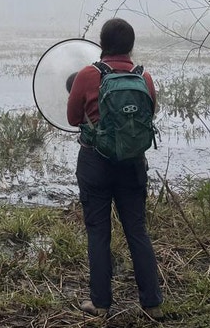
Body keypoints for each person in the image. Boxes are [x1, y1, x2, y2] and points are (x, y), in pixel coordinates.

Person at [66, 18, 163, 320]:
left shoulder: (87, 75)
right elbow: (150, 114)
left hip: (95, 162)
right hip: (133, 163)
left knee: (98, 231)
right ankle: (152, 303)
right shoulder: (144, 77)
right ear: (131, 46)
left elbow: (72, 118)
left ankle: (100, 303)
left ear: (102, 43)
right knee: (137, 230)